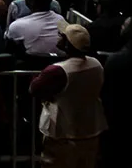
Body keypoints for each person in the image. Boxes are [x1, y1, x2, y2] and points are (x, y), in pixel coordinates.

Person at [32, 24, 106, 168]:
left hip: (62, 132)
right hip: (91, 128)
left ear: (68, 44)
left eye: (62, 36)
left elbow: (34, 89)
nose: (59, 37)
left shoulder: (57, 70)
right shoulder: (96, 64)